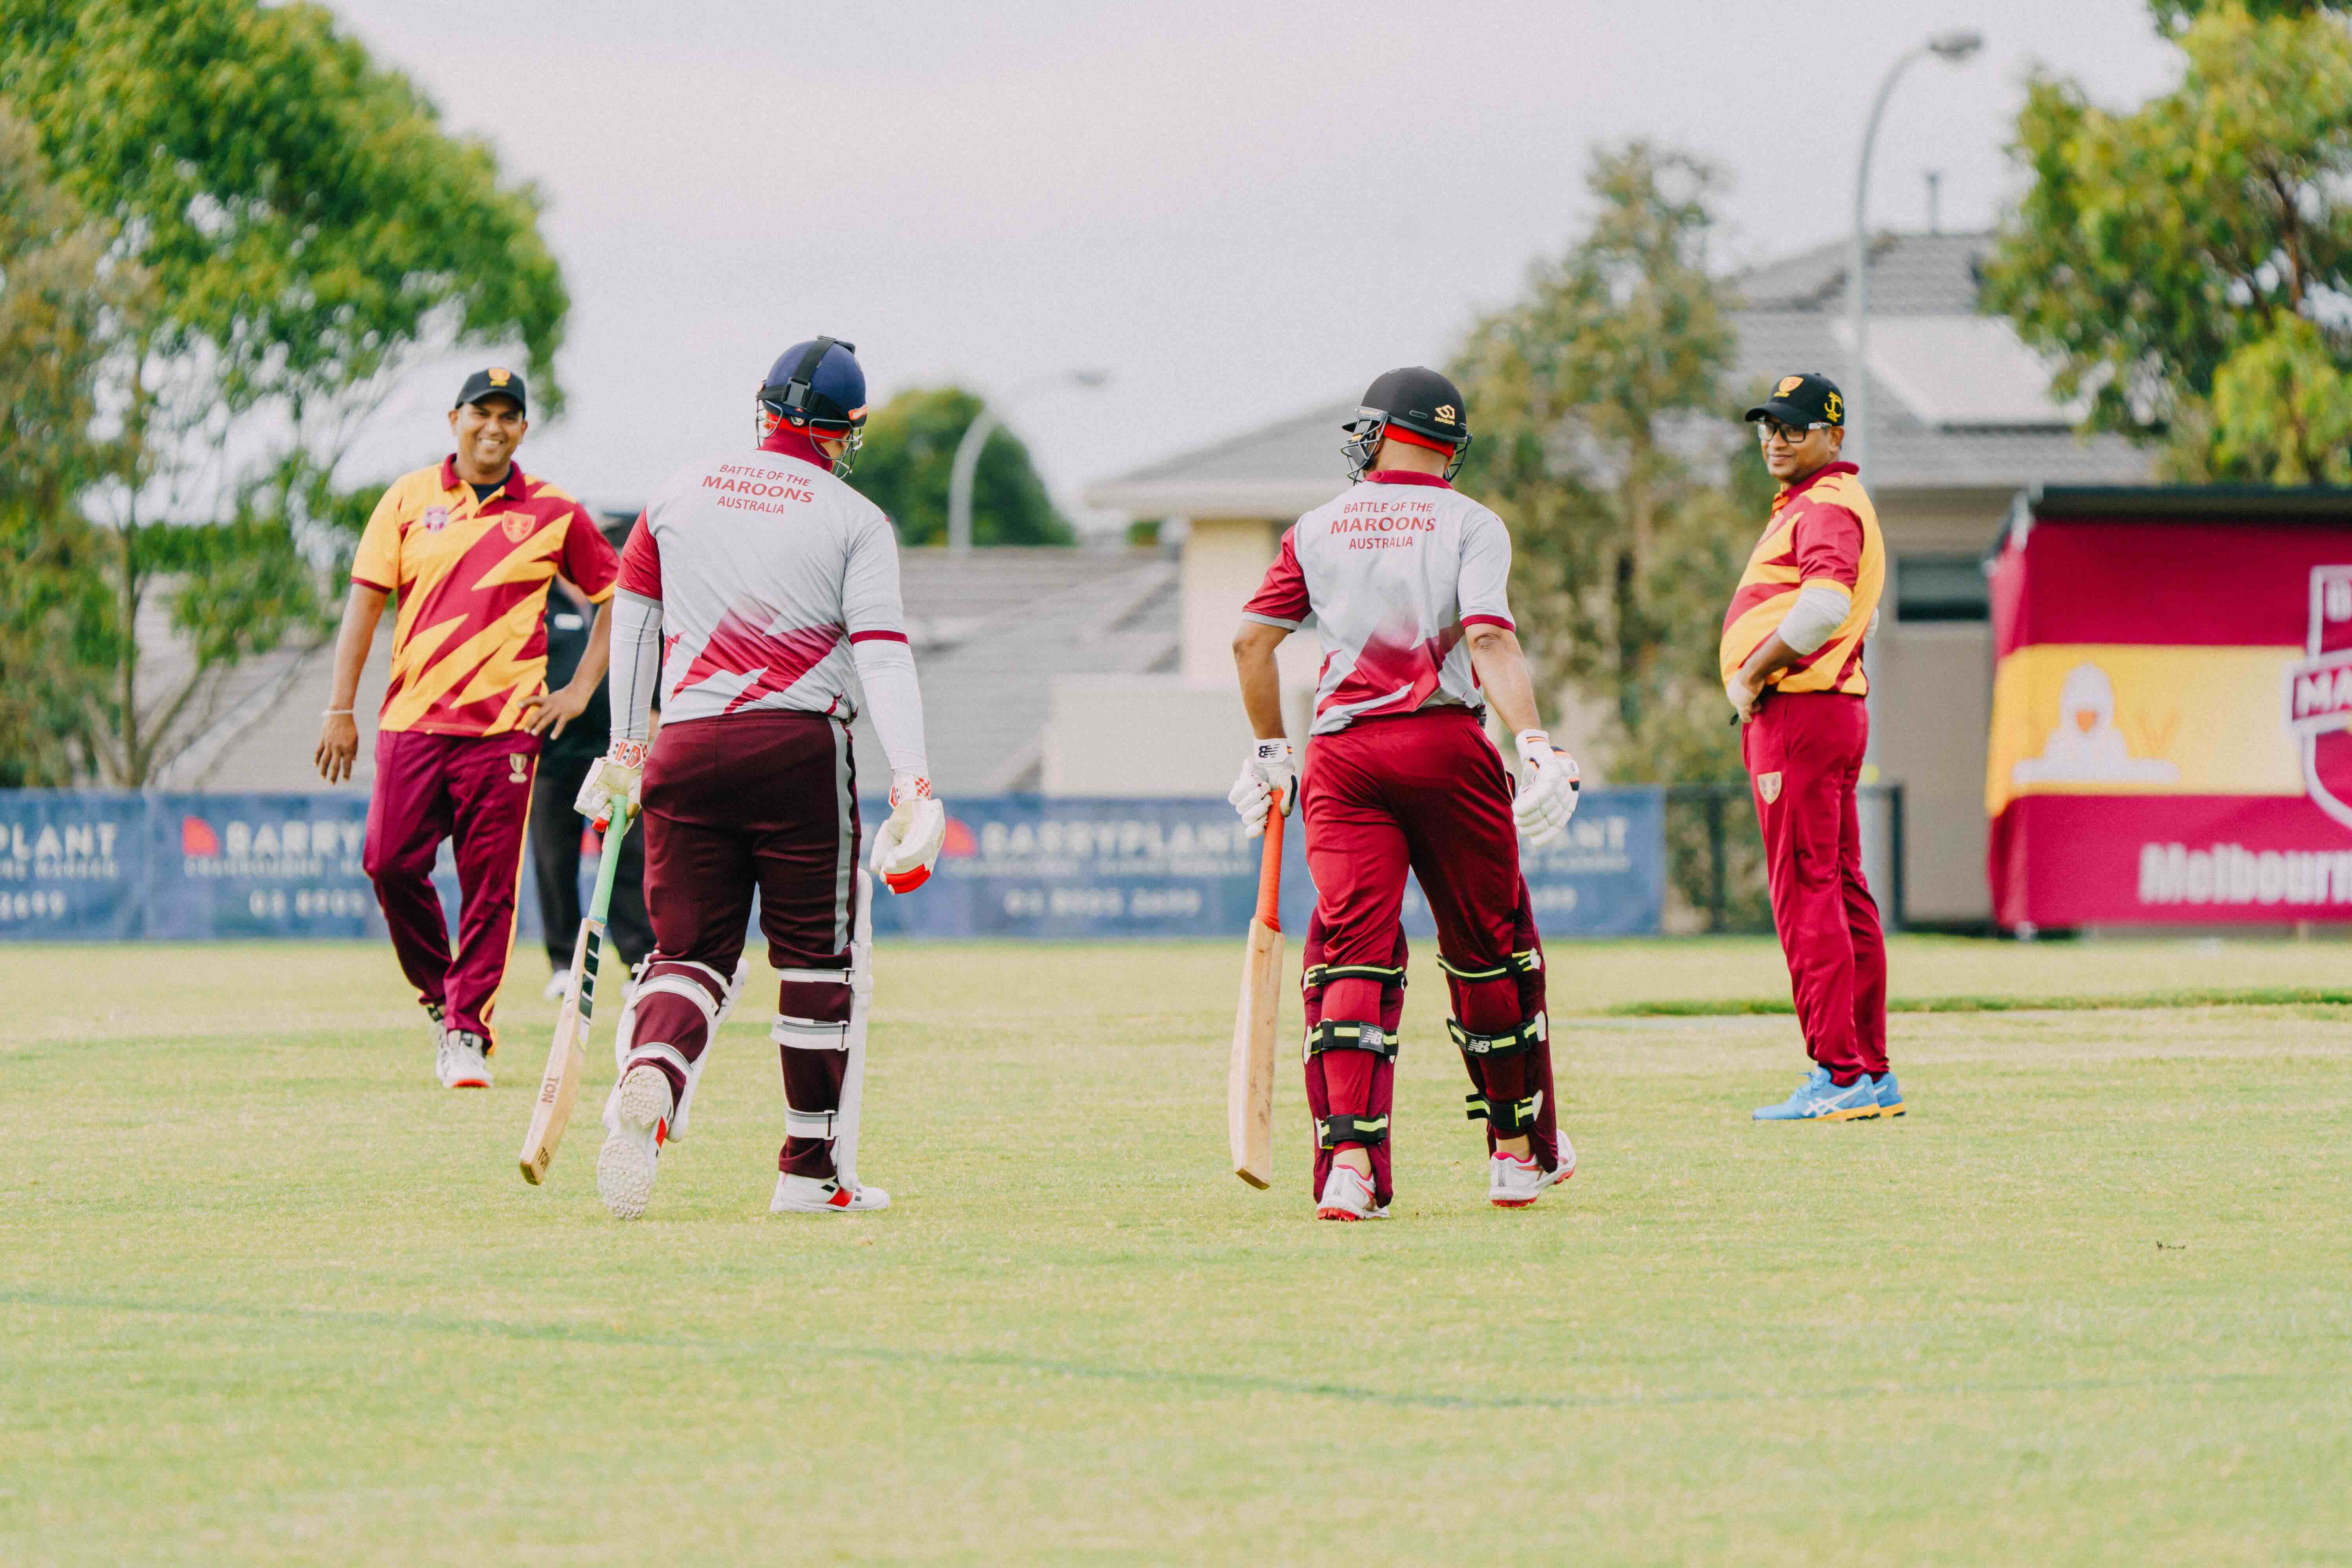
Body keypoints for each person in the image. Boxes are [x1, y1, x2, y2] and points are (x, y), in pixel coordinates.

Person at [574, 337, 946, 1221]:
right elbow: (883, 657)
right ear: (840, 429)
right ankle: (810, 1171)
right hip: (796, 749)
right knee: (819, 960)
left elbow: (632, 626)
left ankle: (653, 1074)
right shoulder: (855, 518)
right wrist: (914, 780)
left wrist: (627, 747)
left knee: (688, 954)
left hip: (684, 743)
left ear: (765, 406)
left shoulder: (678, 491)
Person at [1228, 366, 1581, 1221]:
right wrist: (1534, 741)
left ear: (1380, 432)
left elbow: (1250, 642)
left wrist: (1272, 749)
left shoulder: (1316, 526)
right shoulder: (1473, 522)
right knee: (1489, 946)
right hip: (1446, 743)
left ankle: (1350, 1165)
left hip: (1347, 758)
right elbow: (1490, 637)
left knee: (1352, 952)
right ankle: (1512, 1153)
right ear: (1448, 446)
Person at [316, 368, 620, 1089]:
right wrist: (340, 708)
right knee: (388, 866)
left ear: (523, 429)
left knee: (490, 889)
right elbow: (363, 608)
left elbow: (619, 599)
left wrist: (578, 691)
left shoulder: (553, 511)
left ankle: (467, 1033)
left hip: (505, 732)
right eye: (481, 413)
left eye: (508, 416)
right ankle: (441, 996)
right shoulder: (407, 499)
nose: (493, 427)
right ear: (454, 419)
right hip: (413, 723)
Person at [1721, 371, 1899, 1122]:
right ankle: (1869, 1072)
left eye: (1793, 427)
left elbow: (1828, 605)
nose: (1775, 439)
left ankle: (1839, 1074)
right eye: (1768, 426)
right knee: (1841, 887)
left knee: (1808, 892)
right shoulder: (1828, 503)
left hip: (1798, 716)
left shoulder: (1825, 505)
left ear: (1834, 436)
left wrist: (1755, 670)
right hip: (1825, 712)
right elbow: (1864, 614)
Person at [527, 537, 655, 998]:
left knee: (626, 854)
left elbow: (647, 653)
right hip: (553, 752)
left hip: (613, 750)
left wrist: (654, 711)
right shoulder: (538, 600)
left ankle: (639, 958)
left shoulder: (625, 597)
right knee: (553, 858)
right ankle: (564, 963)